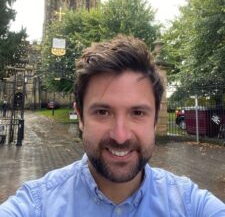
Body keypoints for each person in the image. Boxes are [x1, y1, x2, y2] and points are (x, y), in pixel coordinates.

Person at [0, 35, 225, 216]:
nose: (120, 136)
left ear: (156, 118)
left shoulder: (190, 205)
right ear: (79, 116)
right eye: (102, 112)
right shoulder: (37, 206)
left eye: (137, 113)